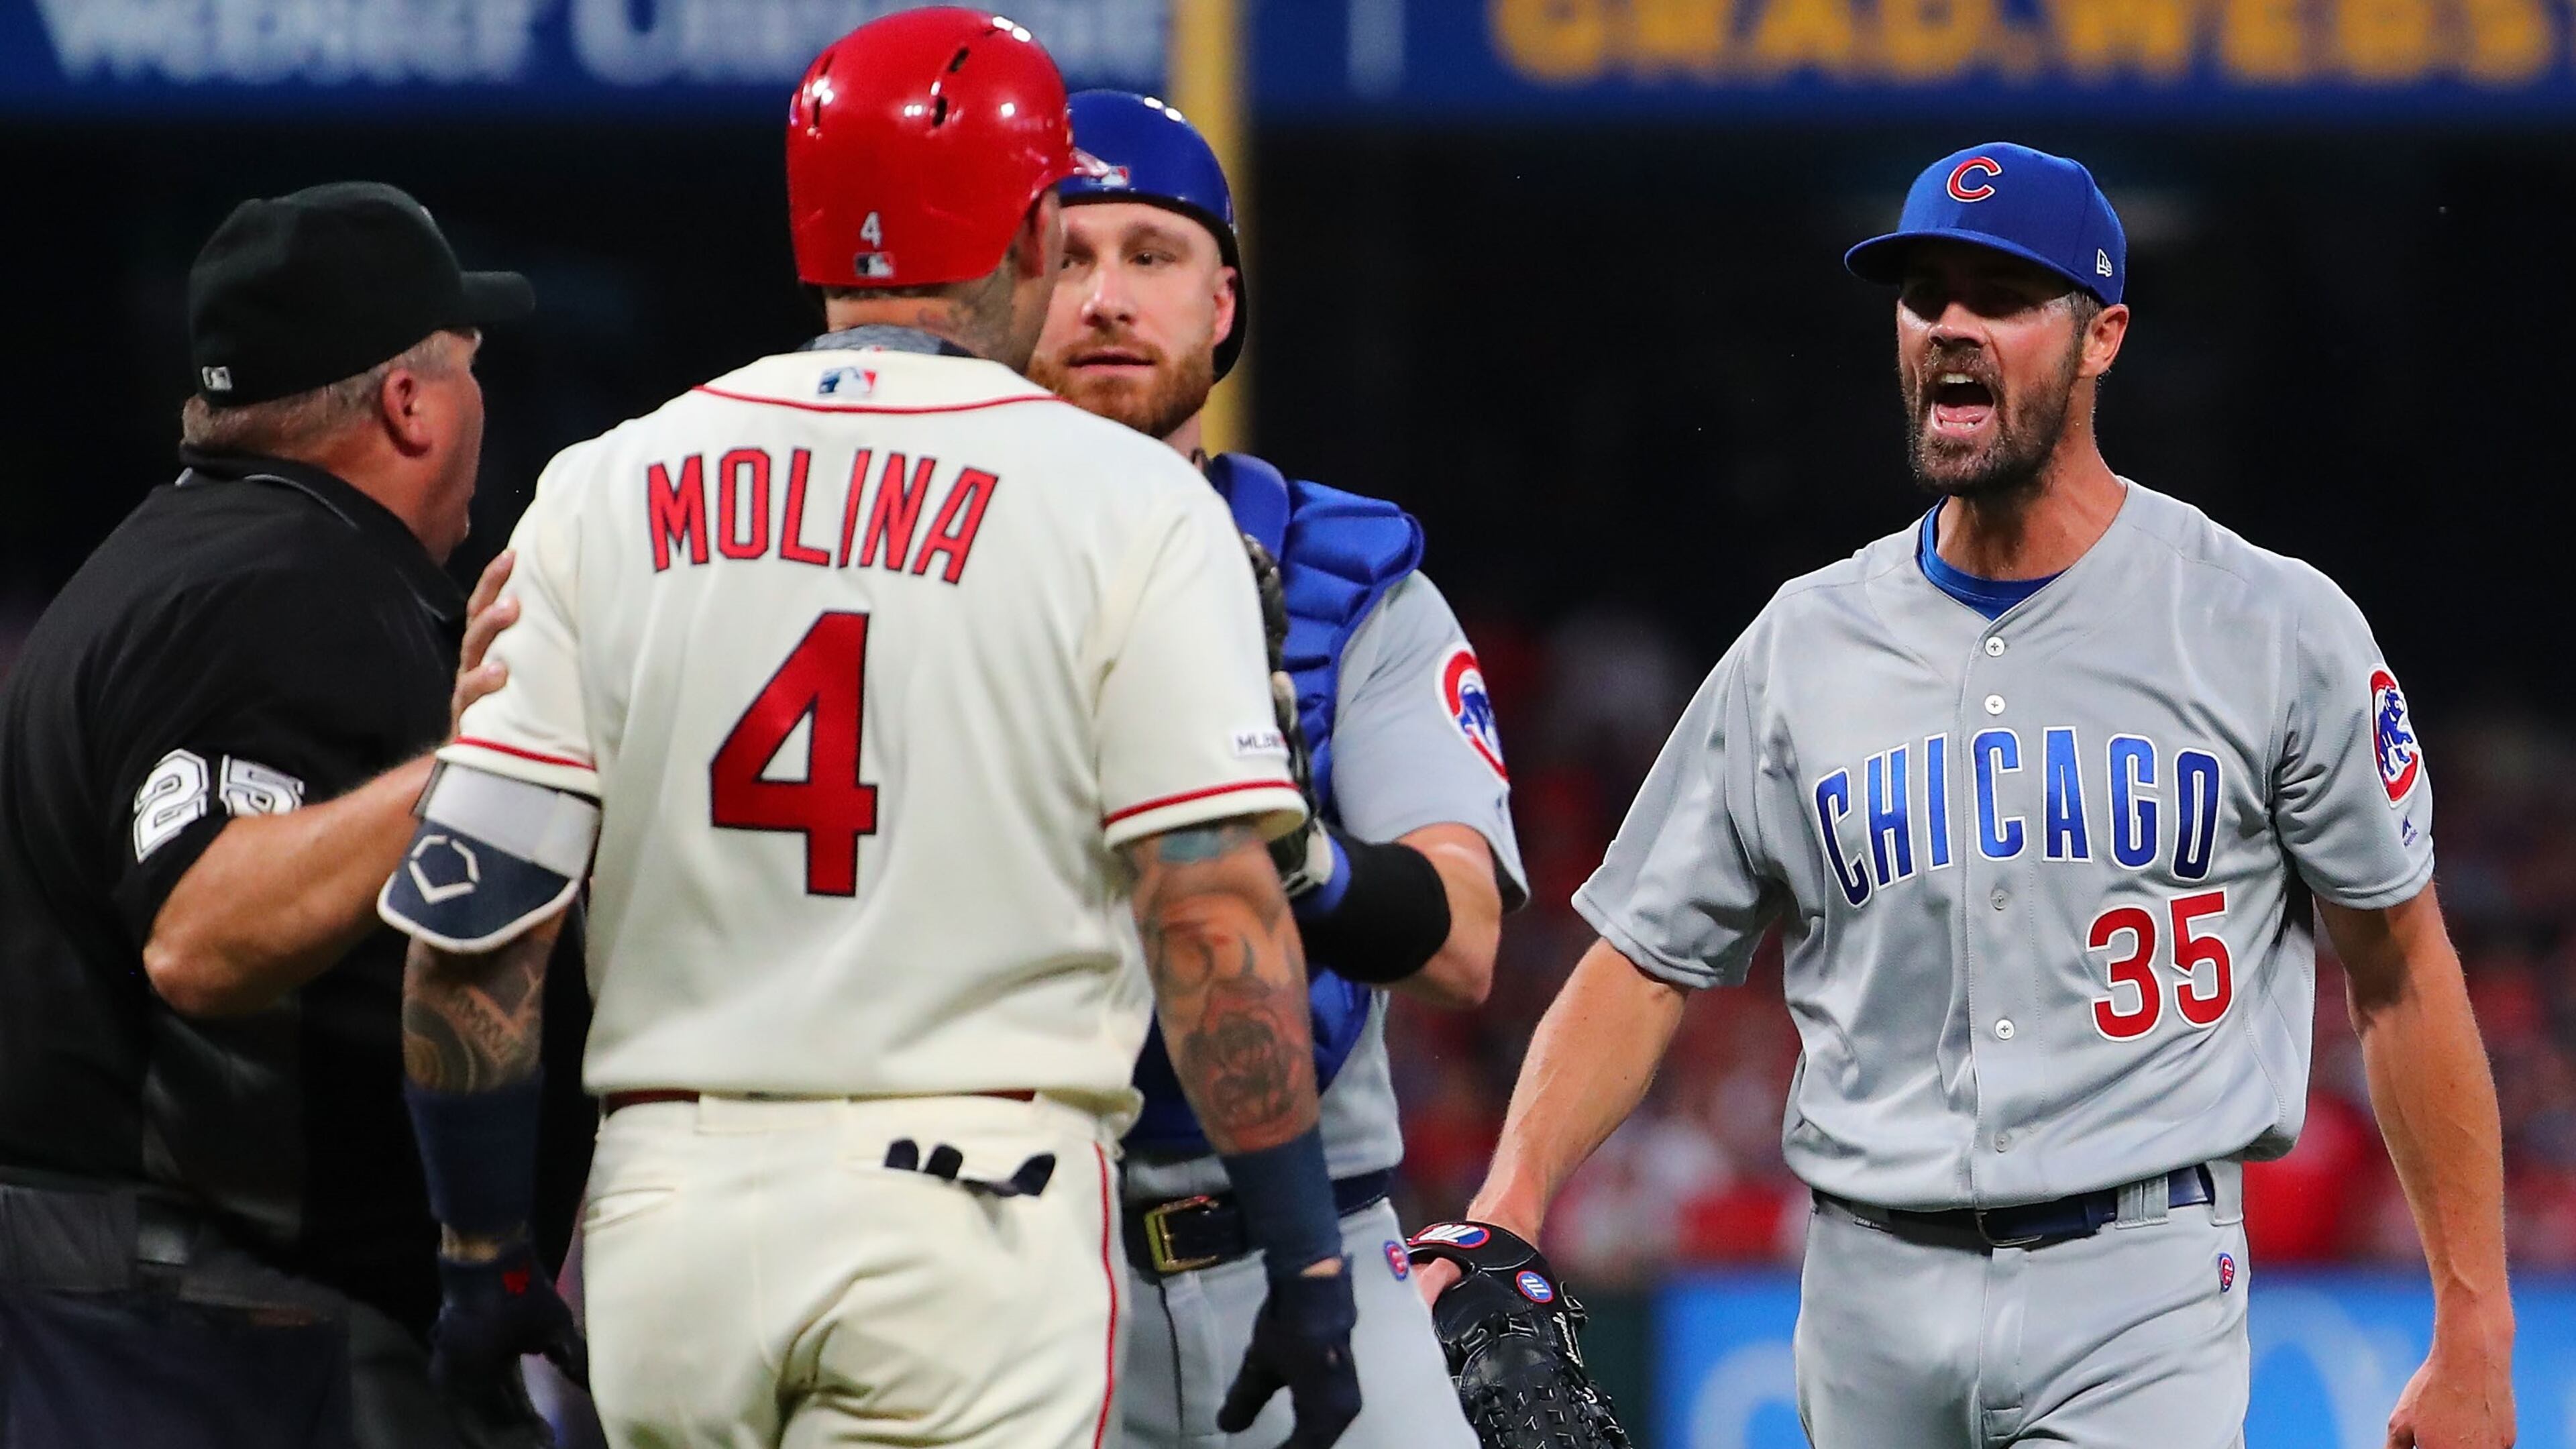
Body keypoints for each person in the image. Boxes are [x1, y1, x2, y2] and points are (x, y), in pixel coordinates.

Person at [1417, 142, 2515, 1449]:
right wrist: (1512, 1201)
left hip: (2137, 1282)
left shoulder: (2268, 622)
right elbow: (1647, 961)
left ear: (2101, 335)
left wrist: (2474, 1329)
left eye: (2001, 295)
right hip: (1866, 1287)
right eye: (1924, 293)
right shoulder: (1804, 644)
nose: (1951, 324)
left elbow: (2400, 975)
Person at [373, 12, 1362, 1448]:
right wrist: (1307, 1256)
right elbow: (1209, 904)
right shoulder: (1128, 503)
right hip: (976, 1206)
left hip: (670, 1214)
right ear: (1032, 230)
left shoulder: (605, 485)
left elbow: (477, 922)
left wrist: (479, 1248)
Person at [0, 181, 592, 1448]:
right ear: (411, 403)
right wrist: (476, 758)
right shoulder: (273, 586)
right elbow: (199, 930)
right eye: (472, 369)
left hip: (162, 1302)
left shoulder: (196, 557)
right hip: (197, 1321)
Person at [1030, 93, 1524, 1449]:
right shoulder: (906, 569)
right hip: (1012, 1252)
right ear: (1001, 290)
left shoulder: (1345, 580)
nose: (1108, 297)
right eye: (1066, 256)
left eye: (1151, 254)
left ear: (1222, 301)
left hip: (1317, 1232)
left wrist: (1280, 837)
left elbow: (1460, 939)